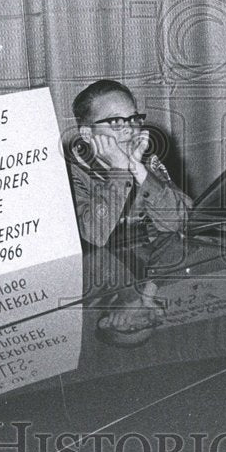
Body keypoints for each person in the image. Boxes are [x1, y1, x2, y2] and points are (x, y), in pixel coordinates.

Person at [68, 80, 192, 335]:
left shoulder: (145, 159)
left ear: (110, 321)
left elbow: (180, 219)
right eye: (115, 122)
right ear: (87, 134)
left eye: (133, 118)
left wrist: (139, 171)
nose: (130, 129)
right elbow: (94, 235)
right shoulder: (69, 173)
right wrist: (119, 170)